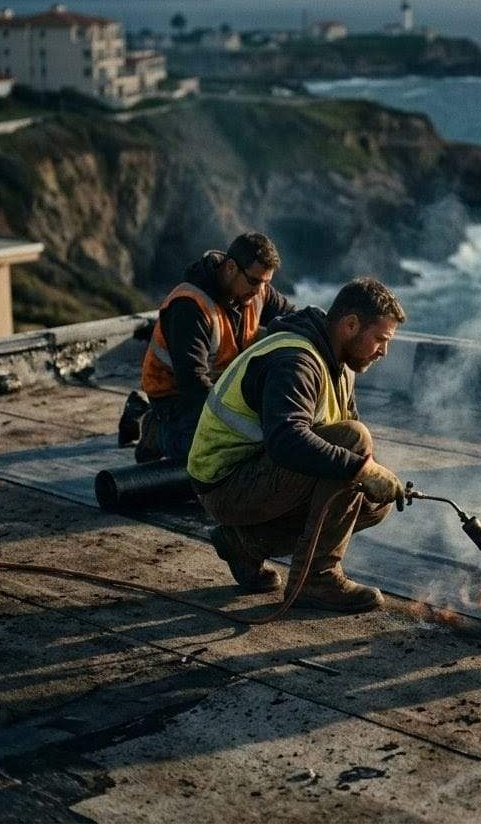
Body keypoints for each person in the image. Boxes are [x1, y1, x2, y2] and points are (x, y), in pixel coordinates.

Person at [187, 277, 407, 613]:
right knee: (355, 445)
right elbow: (286, 440)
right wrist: (361, 468)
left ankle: (244, 544)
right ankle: (316, 579)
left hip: (260, 478)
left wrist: (370, 473)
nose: (384, 351)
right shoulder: (296, 361)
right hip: (225, 484)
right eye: (380, 339)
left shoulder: (339, 365)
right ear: (350, 325)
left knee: (373, 500)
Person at [121, 232, 297, 462]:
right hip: (177, 398)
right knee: (214, 454)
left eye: (266, 283)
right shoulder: (189, 306)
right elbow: (193, 385)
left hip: (222, 388)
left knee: (267, 430)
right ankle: (157, 430)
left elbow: (294, 317)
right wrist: (240, 422)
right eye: (254, 281)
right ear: (231, 267)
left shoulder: (256, 290)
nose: (259, 291)